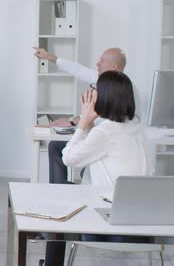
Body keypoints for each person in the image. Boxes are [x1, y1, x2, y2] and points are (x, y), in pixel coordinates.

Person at [43, 70, 147, 266]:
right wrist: (87, 123)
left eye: (94, 89)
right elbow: (100, 138)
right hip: (136, 219)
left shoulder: (105, 132)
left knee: (57, 202)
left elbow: (68, 158)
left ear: (104, 96)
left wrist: (83, 122)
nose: (90, 93)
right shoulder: (135, 124)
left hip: (106, 225)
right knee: (69, 183)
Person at [32, 47, 137, 184]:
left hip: (107, 157)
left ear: (114, 66)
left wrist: (80, 123)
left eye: (102, 61)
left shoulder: (118, 104)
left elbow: (70, 157)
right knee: (60, 148)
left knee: (66, 153)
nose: (97, 64)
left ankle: (59, 192)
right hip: (106, 151)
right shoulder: (114, 87)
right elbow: (79, 70)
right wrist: (75, 121)